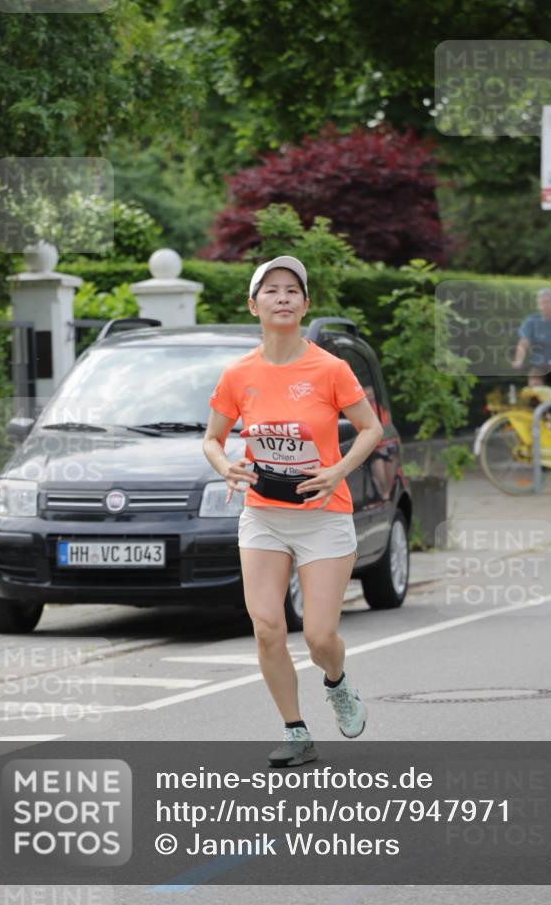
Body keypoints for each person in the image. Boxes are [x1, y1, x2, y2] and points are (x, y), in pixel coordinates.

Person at [202, 255, 384, 767]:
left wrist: (338, 470)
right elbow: (212, 439)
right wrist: (226, 466)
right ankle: (295, 730)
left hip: (323, 516)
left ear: (305, 305)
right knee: (266, 627)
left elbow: (371, 428)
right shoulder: (238, 374)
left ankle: (337, 681)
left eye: (291, 291)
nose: (282, 298)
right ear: (253, 305)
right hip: (263, 515)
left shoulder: (330, 368)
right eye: (271, 290)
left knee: (320, 637)